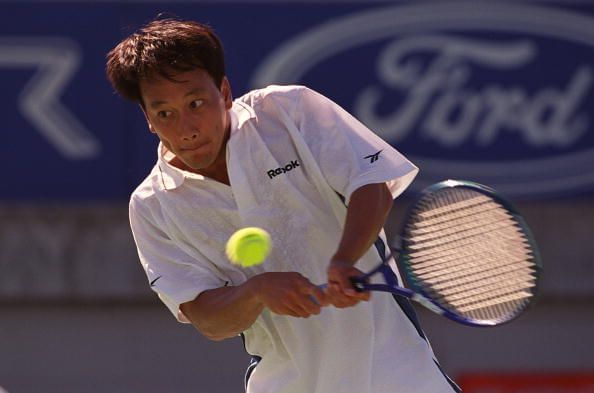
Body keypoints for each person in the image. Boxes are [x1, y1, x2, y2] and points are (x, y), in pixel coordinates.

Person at [106, 17, 460, 393]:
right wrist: (256, 291)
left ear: (224, 93)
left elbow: (371, 185)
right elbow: (208, 320)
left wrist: (343, 259)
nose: (187, 128)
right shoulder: (152, 206)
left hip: (402, 376)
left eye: (196, 103)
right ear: (148, 120)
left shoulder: (288, 111)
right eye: (165, 114)